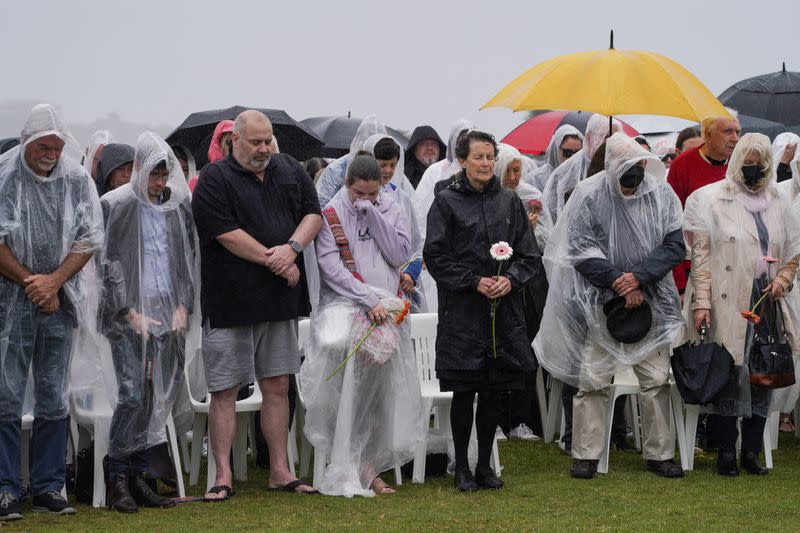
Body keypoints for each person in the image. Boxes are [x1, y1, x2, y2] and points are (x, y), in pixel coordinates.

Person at [535, 133, 686, 479]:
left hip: (652, 302)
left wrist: (639, 279)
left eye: (639, 165)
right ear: (611, 165)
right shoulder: (589, 193)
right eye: (626, 166)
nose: (634, 172)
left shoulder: (661, 194)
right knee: (593, 379)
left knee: (655, 380)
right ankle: (586, 454)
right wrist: (619, 282)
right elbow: (579, 247)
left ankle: (659, 453)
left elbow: (673, 245)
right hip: (601, 303)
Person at [191, 110, 322, 499]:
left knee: (279, 385)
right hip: (231, 301)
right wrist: (277, 261)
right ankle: (222, 475)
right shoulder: (213, 179)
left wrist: (293, 248)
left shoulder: (290, 170)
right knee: (225, 389)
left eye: (268, 141)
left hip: (279, 300)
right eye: (256, 142)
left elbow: (313, 214)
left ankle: (280, 470)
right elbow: (226, 234)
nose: (264, 148)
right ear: (234, 141)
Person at [0, 104, 104, 520]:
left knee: (53, 395)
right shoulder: (5, 178)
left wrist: (55, 282)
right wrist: (33, 282)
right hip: (10, 304)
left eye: (57, 147)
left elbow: (89, 236)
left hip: (60, 302)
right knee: (6, 395)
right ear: (27, 140)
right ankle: (6, 487)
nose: (50, 154)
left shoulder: (77, 179)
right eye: (43, 146)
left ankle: (48, 486)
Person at [301, 152, 423, 496]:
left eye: (373, 194)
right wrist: (367, 299)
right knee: (349, 395)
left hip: (387, 314)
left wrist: (373, 216)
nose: (366, 200)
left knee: (381, 396)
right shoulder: (331, 214)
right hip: (349, 311)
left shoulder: (391, 207)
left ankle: (369, 465)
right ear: (347, 184)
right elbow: (332, 268)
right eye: (360, 194)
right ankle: (345, 464)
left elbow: (400, 254)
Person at [424, 130, 540, 491]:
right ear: (462, 159)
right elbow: (436, 256)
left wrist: (512, 280)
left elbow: (529, 255)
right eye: (478, 157)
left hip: (502, 315)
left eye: (490, 156)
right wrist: (473, 280)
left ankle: (486, 465)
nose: (486, 163)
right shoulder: (446, 202)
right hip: (463, 313)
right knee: (464, 391)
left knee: (493, 391)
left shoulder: (509, 202)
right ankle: (461, 466)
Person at [682, 133, 800, 476]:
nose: (753, 171)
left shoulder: (779, 202)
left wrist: (783, 280)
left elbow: (793, 253)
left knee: (763, 373)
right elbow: (700, 256)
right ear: (736, 165)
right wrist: (701, 303)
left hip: (767, 299)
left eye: (759, 165)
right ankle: (725, 453)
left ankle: (750, 452)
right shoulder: (711, 199)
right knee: (729, 373)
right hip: (726, 300)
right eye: (746, 165)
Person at [98, 132, 197, 512]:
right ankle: (117, 477)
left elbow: (187, 260)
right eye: (153, 175)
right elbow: (108, 264)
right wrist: (128, 311)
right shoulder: (117, 206)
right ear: (138, 170)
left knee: (157, 396)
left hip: (166, 310)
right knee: (132, 392)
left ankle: (140, 476)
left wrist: (183, 304)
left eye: (164, 176)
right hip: (127, 315)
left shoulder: (175, 209)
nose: (159, 184)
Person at [493, 143, 547, 441]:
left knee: (524, 352)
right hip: (499, 283)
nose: (514, 177)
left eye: (517, 170)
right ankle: (499, 420)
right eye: (509, 170)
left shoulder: (529, 197)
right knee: (499, 353)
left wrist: (531, 229)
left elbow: (546, 237)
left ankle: (522, 419)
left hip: (527, 286)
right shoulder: (491, 201)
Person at [667, 113, 741, 295]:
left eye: (738, 132)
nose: (735, 138)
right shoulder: (682, 165)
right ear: (707, 135)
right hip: (694, 266)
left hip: (735, 265)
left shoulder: (740, 164)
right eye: (728, 131)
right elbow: (670, 223)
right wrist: (680, 285)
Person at [364, 134, 427, 311]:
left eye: (392, 165)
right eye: (382, 165)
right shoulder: (356, 198)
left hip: (402, 284)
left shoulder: (402, 198)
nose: (388, 171)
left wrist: (410, 274)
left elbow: (417, 241)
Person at [541, 114, 620, 224]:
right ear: (588, 137)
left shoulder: (619, 168)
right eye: (606, 136)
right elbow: (552, 215)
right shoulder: (566, 172)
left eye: (616, 137)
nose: (611, 141)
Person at [413, 119, 474, 236]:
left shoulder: (480, 170)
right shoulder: (435, 171)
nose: (465, 147)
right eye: (461, 141)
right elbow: (420, 211)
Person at [316, 116, 392, 208]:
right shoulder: (336, 170)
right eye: (359, 192)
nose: (388, 170)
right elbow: (322, 206)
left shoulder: (391, 172)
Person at [523, 125, 583, 192]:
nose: (573, 158)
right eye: (567, 153)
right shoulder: (535, 179)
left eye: (578, 153)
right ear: (555, 150)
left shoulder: (586, 176)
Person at [188, 120, 233, 192]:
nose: (234, 147)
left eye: (238, 142)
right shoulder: (200, 181)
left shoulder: (249, 180)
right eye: (229, 142)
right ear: (219, 144)